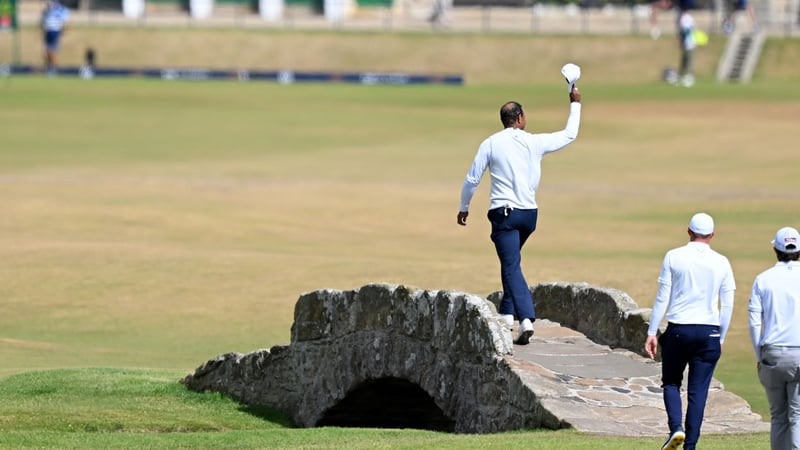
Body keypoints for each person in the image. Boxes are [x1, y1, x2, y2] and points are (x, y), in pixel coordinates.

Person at [457, 84, 582, 346]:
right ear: (521, 118)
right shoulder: (534, 142)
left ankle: (525, 319)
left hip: (504, 215)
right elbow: (570, 134)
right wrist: (575, 102)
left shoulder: (491, 143)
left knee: (511, 265)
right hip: (529, 215)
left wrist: (464, 206)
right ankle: (505, 314)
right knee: (510, 261)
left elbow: (472, 179)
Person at [644, 212, 736, 450]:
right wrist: (721, 337)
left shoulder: (674, 256)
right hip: (709, 334)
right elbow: (727, 305)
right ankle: (690, 445)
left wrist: (652, 332)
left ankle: (676, 428)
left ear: (688, 231)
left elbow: (662, 297)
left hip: (678, 331)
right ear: (712, 235)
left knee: (671, 383)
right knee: (698, 392)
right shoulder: (722, 261)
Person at [748, 226, 800, 450]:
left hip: (773, 353)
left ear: (775, 249)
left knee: (778, 416)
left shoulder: (763, 279)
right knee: (797, 415)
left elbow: (754, 322)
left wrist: (759, 355)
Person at [40, 0, 70, 76]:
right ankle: (49, 68)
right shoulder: (47, 11)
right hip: (48, 32)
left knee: (52, 52)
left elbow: (65, 20)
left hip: (54, 32)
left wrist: (63, 30)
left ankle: (54, 69)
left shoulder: (60, 9)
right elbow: (44, 20)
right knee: (46, 52)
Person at [674, 8, 697, 87]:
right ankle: (680, 76)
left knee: (689, 61)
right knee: (684, 61)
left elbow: (685, 31)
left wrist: (681, 41)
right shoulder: (688, 18)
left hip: (689, 43)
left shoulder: (684, 18)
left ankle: (689, 78)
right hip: (688, 43)